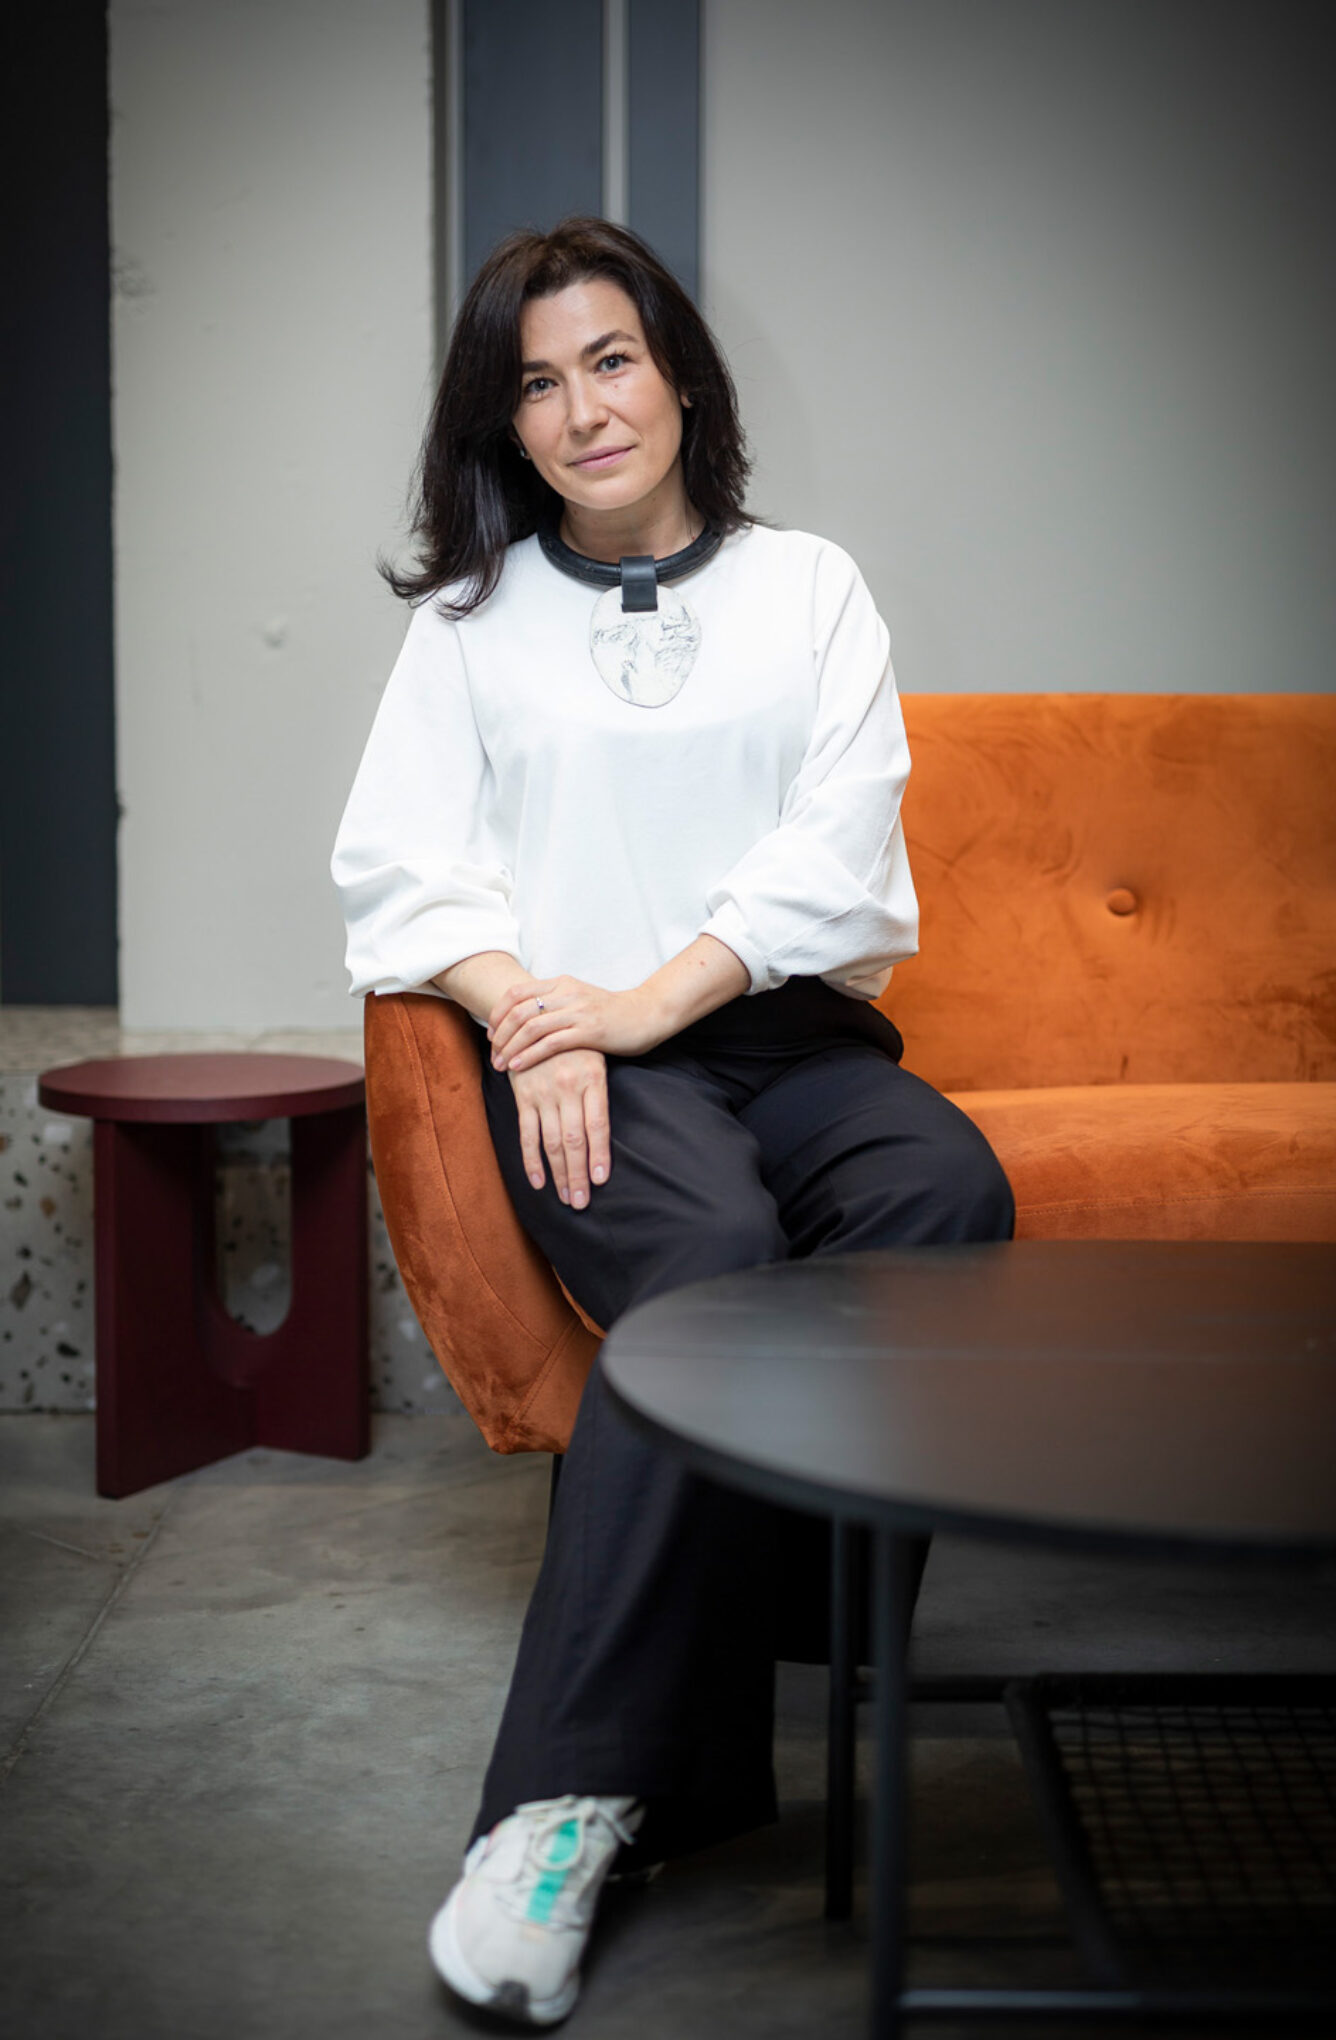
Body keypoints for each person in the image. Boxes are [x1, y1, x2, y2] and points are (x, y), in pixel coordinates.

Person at [332, 217, 1013, 2027]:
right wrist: (532, 1013)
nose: (583, 409)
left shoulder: (810, 589)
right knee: (707, 1260)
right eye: (537, 384)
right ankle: (562, 1805)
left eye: (612, 359)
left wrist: (651, 995)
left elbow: (839, 849)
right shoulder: (469, 628)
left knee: (945, 1190)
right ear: (505, 425)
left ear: (682, 377)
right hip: (588, 1059)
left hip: (782, 1038)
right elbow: (402, 870)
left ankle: (779, 1644)